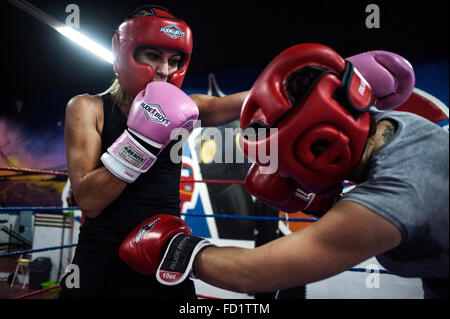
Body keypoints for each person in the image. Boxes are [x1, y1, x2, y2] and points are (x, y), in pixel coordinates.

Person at [119, 43, 448, 299]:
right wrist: (327, 200)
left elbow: (254, 272)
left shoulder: (395, 197)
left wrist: (175, 249)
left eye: (287, 168)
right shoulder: (395, 123)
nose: (283, 178)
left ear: (320, 147)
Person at [58, 5, 245, 299]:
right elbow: (89, 201)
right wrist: (142, 140)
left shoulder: (186, 108)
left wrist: (311, 82)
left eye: (174, 61)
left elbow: (248, 101)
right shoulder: (87, 108)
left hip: (164, 253)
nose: (164, 70)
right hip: (99, 258)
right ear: (126, 53)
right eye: (153, 56)